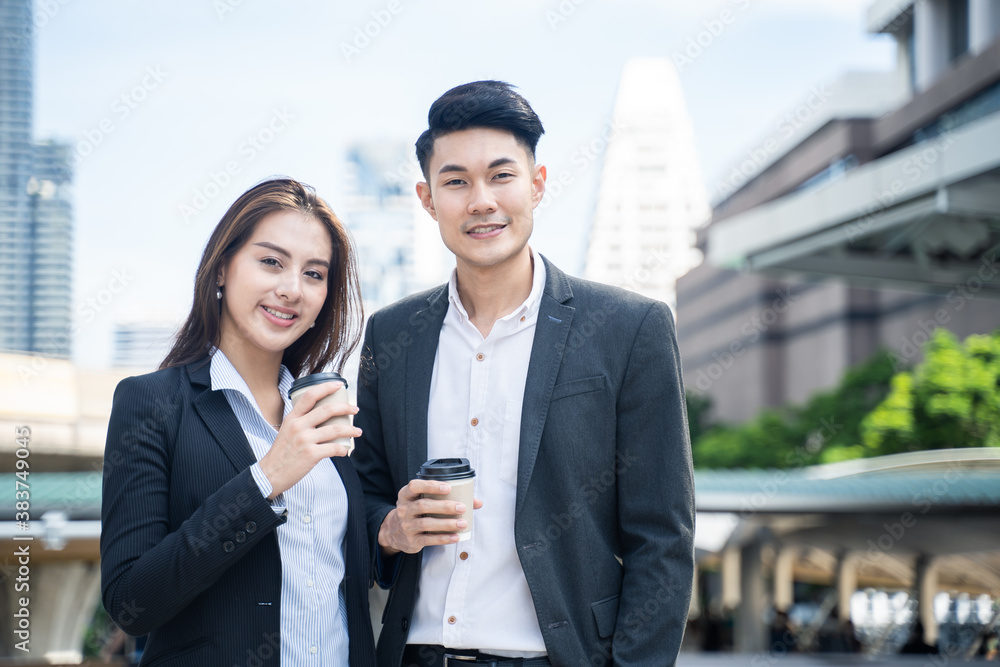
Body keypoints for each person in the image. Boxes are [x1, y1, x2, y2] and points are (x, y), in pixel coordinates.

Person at [352, 81, 695, 667]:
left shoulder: (629, 328)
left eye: (501, 175)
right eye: (455, 181)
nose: (480, 200)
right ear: (427, 198)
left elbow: (662, 536)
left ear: (537, 185)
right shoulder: (392, 334)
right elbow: (362, 491)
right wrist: (389, 529)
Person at [100, 178, 376, 666]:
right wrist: (267, 477)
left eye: (314, 273)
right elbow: (130, 601)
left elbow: (335, 572)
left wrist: (392, 534)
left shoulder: (327, 410)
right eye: (271, 261)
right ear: (222, 267)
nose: (292, 289)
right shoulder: (152, 403)